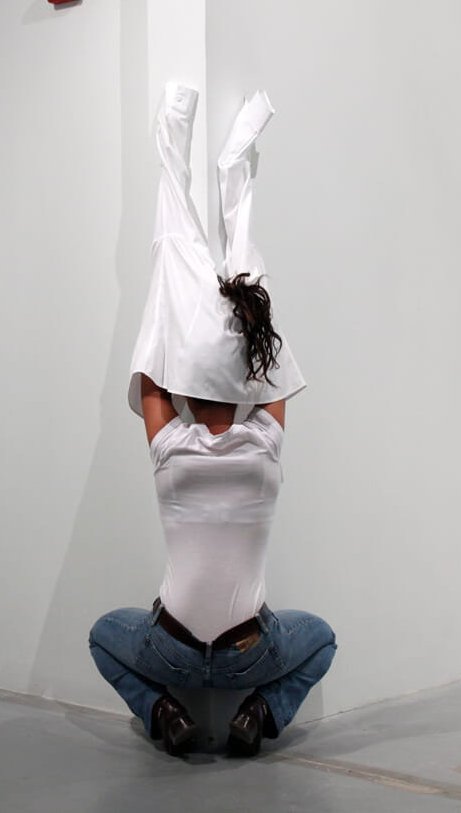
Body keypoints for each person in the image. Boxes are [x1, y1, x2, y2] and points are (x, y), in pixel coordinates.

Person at [88, 83, 336, 757]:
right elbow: (274, 371)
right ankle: (258, 715)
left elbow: (152, 377)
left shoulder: (169, 448)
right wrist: (248, 331)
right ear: (250, 385)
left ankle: (163, 713)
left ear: (187, 397)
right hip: (247, 653)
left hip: (169, 648)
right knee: (321, 638)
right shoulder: (263, 448)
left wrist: (176, 332)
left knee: (104, 634)